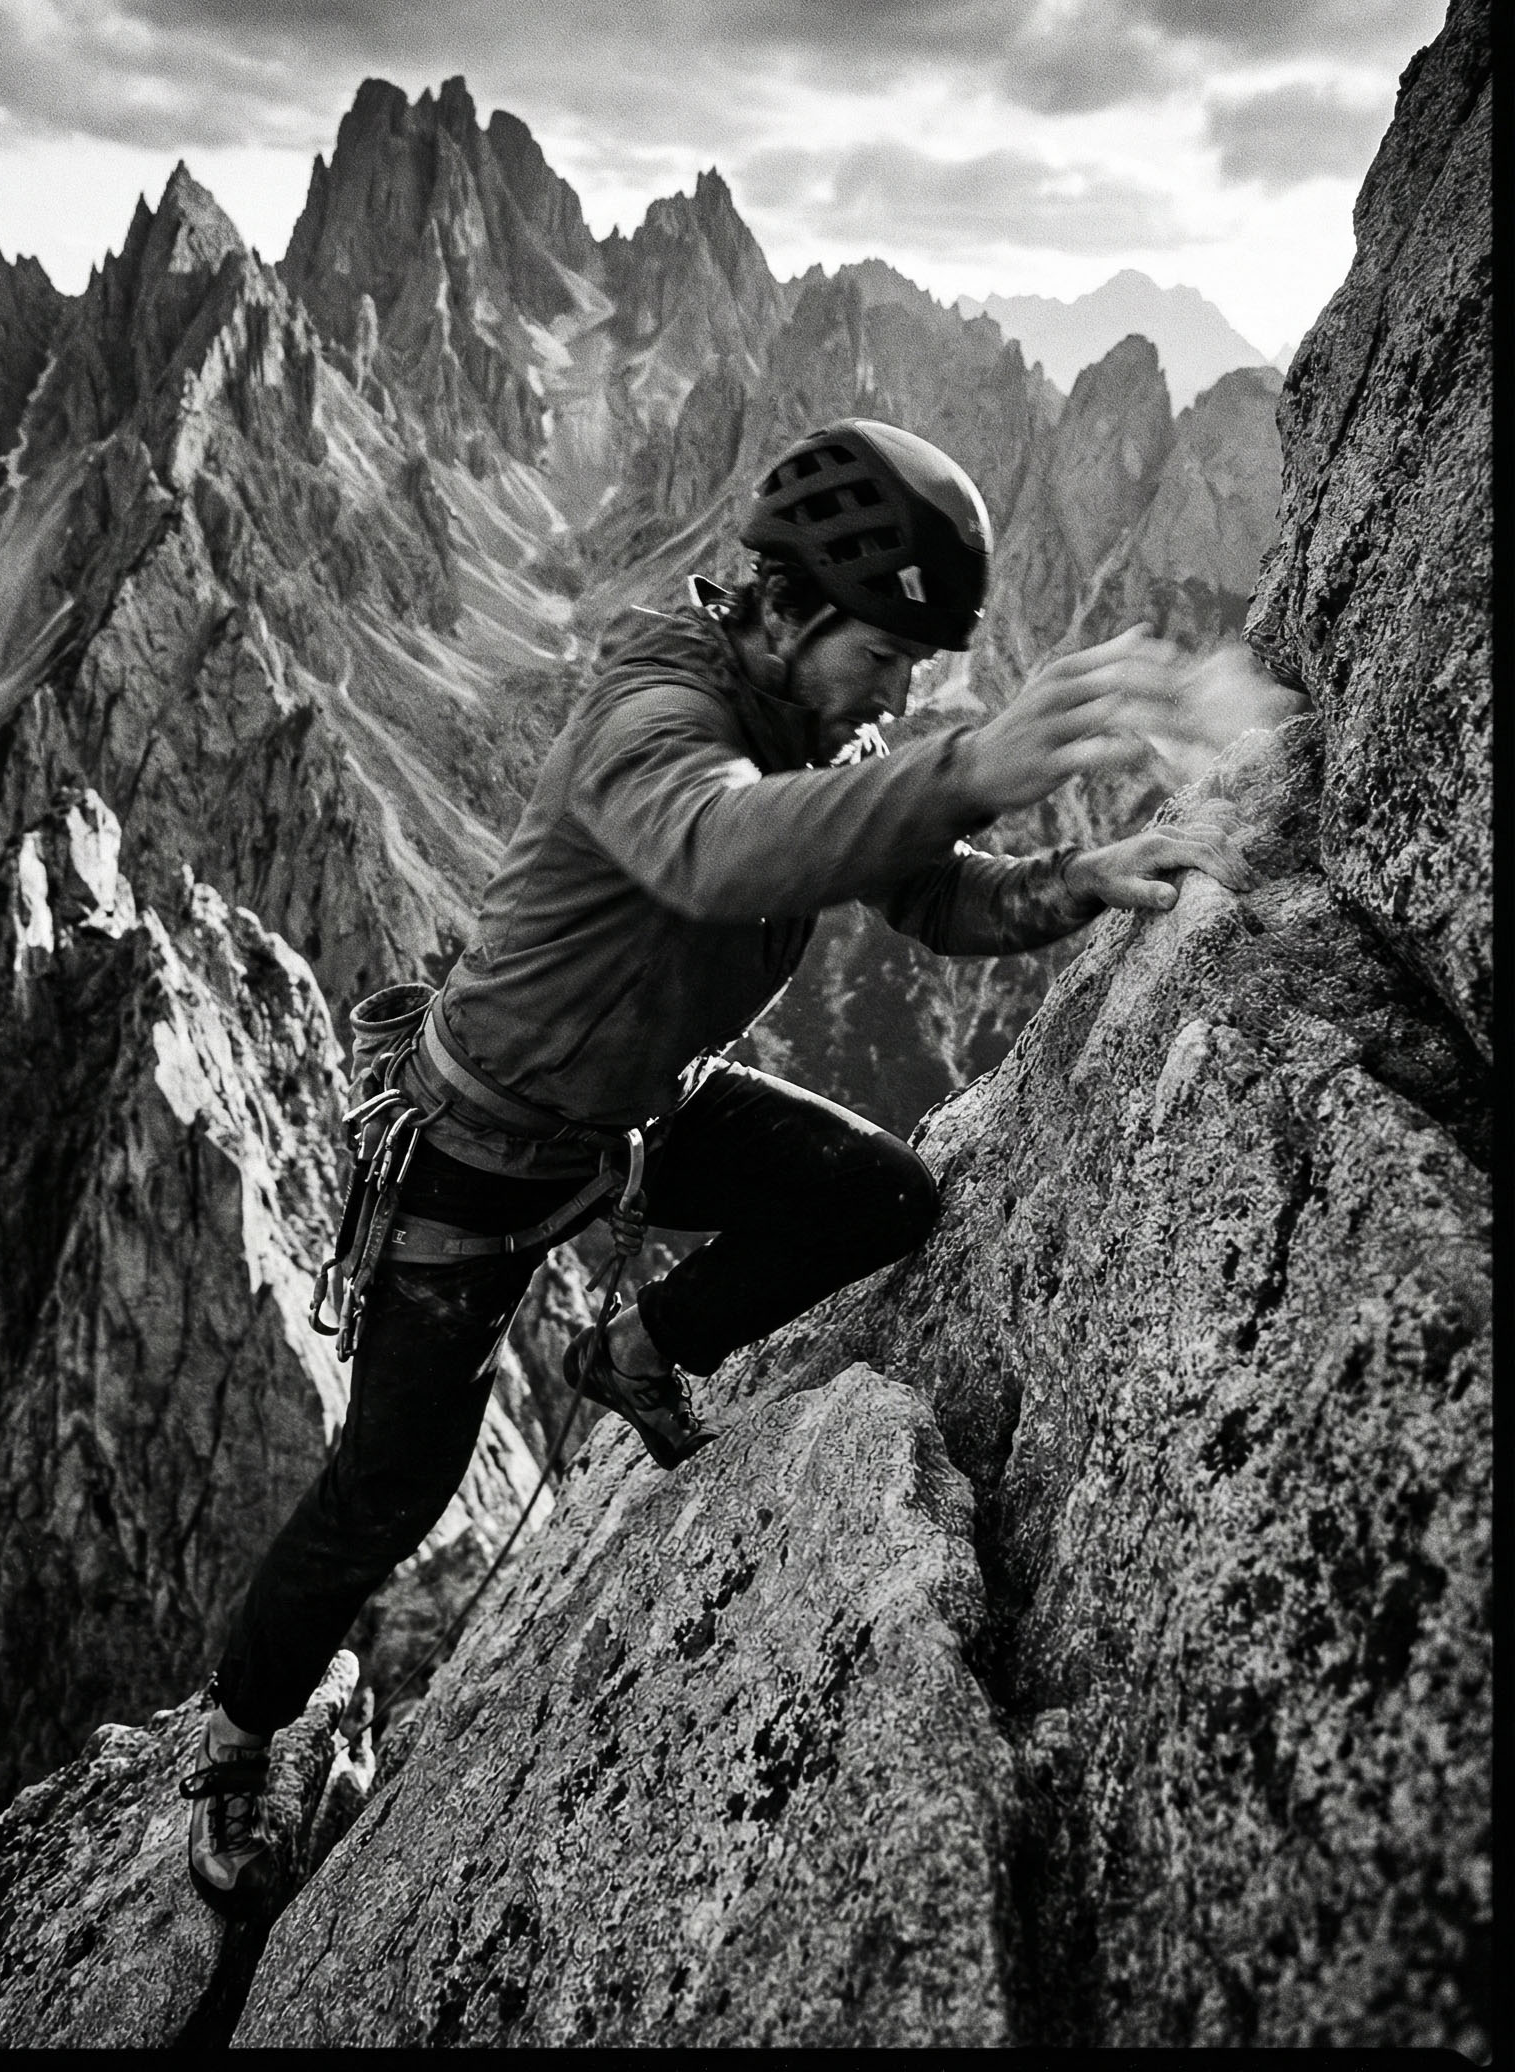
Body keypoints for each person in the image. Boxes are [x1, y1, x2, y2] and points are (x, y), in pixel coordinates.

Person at [181, 416, 1252, 1911]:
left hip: (628, 1119)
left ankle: (630, 1348)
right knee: (392, 1487)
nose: (895, 693)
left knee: (883, 1194)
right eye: (881, 656)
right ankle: (233, 1745)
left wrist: (1075, 880)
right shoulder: (654, 710)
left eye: (912, 676)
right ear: (796, 611)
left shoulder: (821, 730)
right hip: (474, 1159)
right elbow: (716, 851)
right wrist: (969, 763)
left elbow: (931, 899)